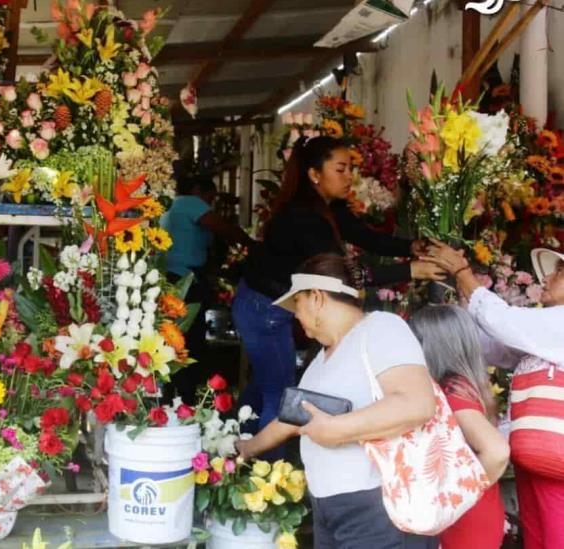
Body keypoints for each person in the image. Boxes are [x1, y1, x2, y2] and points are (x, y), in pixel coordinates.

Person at [232, 136, 444, 451]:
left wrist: (410, 248)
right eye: (341, 169)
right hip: (265, 308)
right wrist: (411, 271)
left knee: (266, 380)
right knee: (279, 389)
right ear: (315, 174)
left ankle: (235, 444)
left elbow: (365, 236)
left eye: (351, 169)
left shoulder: (328, 207)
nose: (350, 177)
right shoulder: (304, 218)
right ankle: (264, 472)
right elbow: (338, 276)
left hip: (269, 302)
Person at [236, 253, 438, 549]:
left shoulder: (381, 328)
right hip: (329, 508)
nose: (295, 315)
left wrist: (337, 429)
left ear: (316, 298)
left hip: (378, 509)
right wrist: (246, 449)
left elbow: (416, 404)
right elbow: (292, 419)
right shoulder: (320, 360)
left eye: (298, 304)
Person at [424, 241, 564, 549]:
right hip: (536, 463)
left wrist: (462, 273)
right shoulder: (543, 333)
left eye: (559, 271)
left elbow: (502, 322)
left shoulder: (559, 324)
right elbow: (489, 346)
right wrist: (456, 298)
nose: (548, 278)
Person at [409, 305, 509, 549]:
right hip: (477, 514)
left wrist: (456, 497)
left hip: (464, 520)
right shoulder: (465, 385)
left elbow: (496, 452)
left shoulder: (451, 391)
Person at [160, 176, 253, 403]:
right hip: (184, 279)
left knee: (174, 337)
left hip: (172, 278)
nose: (208, 205)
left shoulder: (171, 206)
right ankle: (186, 395)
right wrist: (251, 243)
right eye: (208, 199)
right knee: (190, 339)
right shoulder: (190, 202)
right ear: (197, 189)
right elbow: (221, 228)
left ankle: (173, 393)